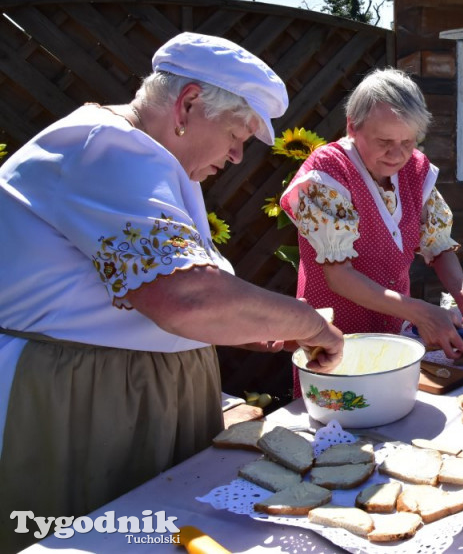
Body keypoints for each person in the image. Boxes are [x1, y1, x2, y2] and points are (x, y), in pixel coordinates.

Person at [0, 32, 346, 553]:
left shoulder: (144, 158)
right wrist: (309, 324)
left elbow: (160, 298)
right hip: (83, 404)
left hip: (127, 395)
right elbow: (187, 298)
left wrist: (255, 331)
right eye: (237, 134)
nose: (235, 157)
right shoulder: (105, 147)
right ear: (187, 103)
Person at [281, 68, 463, 364]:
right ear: (352, 127)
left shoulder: (415, 170)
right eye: (384, 142)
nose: (397, 155)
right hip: (332, 341)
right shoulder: (327, 175)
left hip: (394, 335)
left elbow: (437, 244)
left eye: (407, 142)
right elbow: (339, 276)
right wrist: (420, 312)